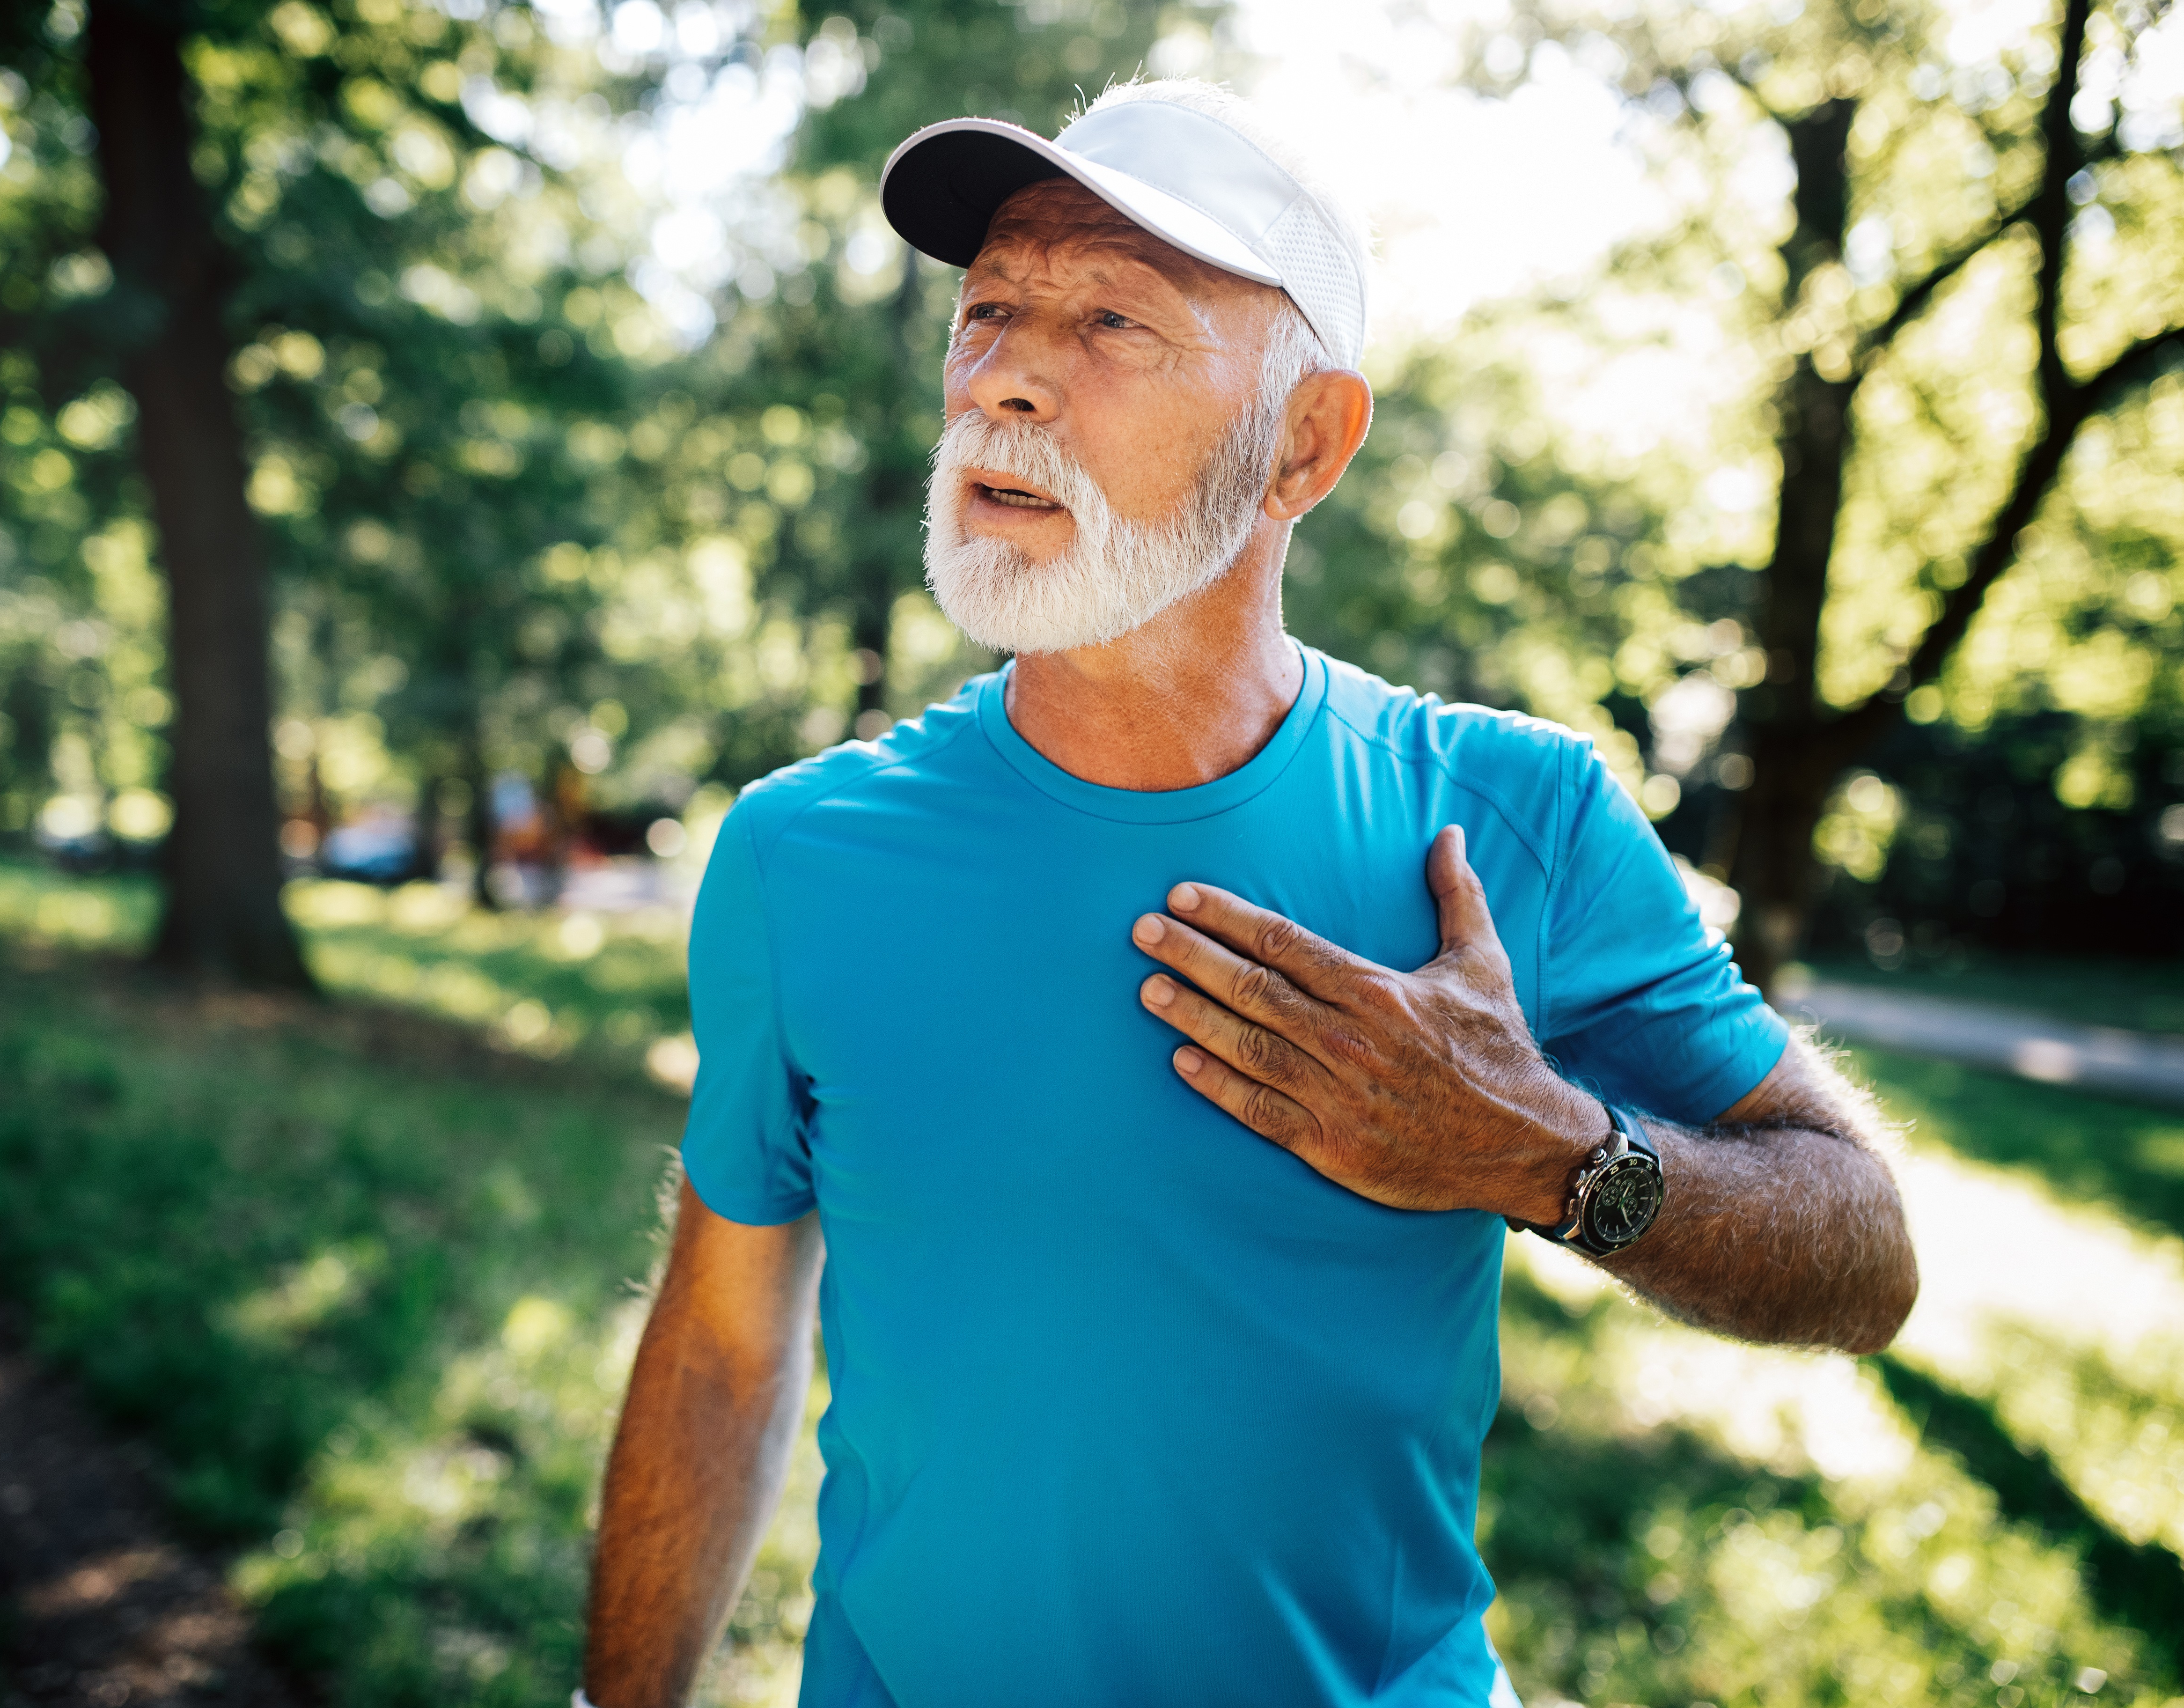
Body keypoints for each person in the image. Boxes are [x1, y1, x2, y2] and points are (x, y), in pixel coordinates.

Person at [581, 78, 1919, 1708]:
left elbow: (1866, 1257)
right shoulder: (802, 853)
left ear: (1305, 443)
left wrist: (1546, 1155)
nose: (1002, 371)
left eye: (1112, 322)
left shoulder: (1513, 817)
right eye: (988, 308)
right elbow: (723, 1341)